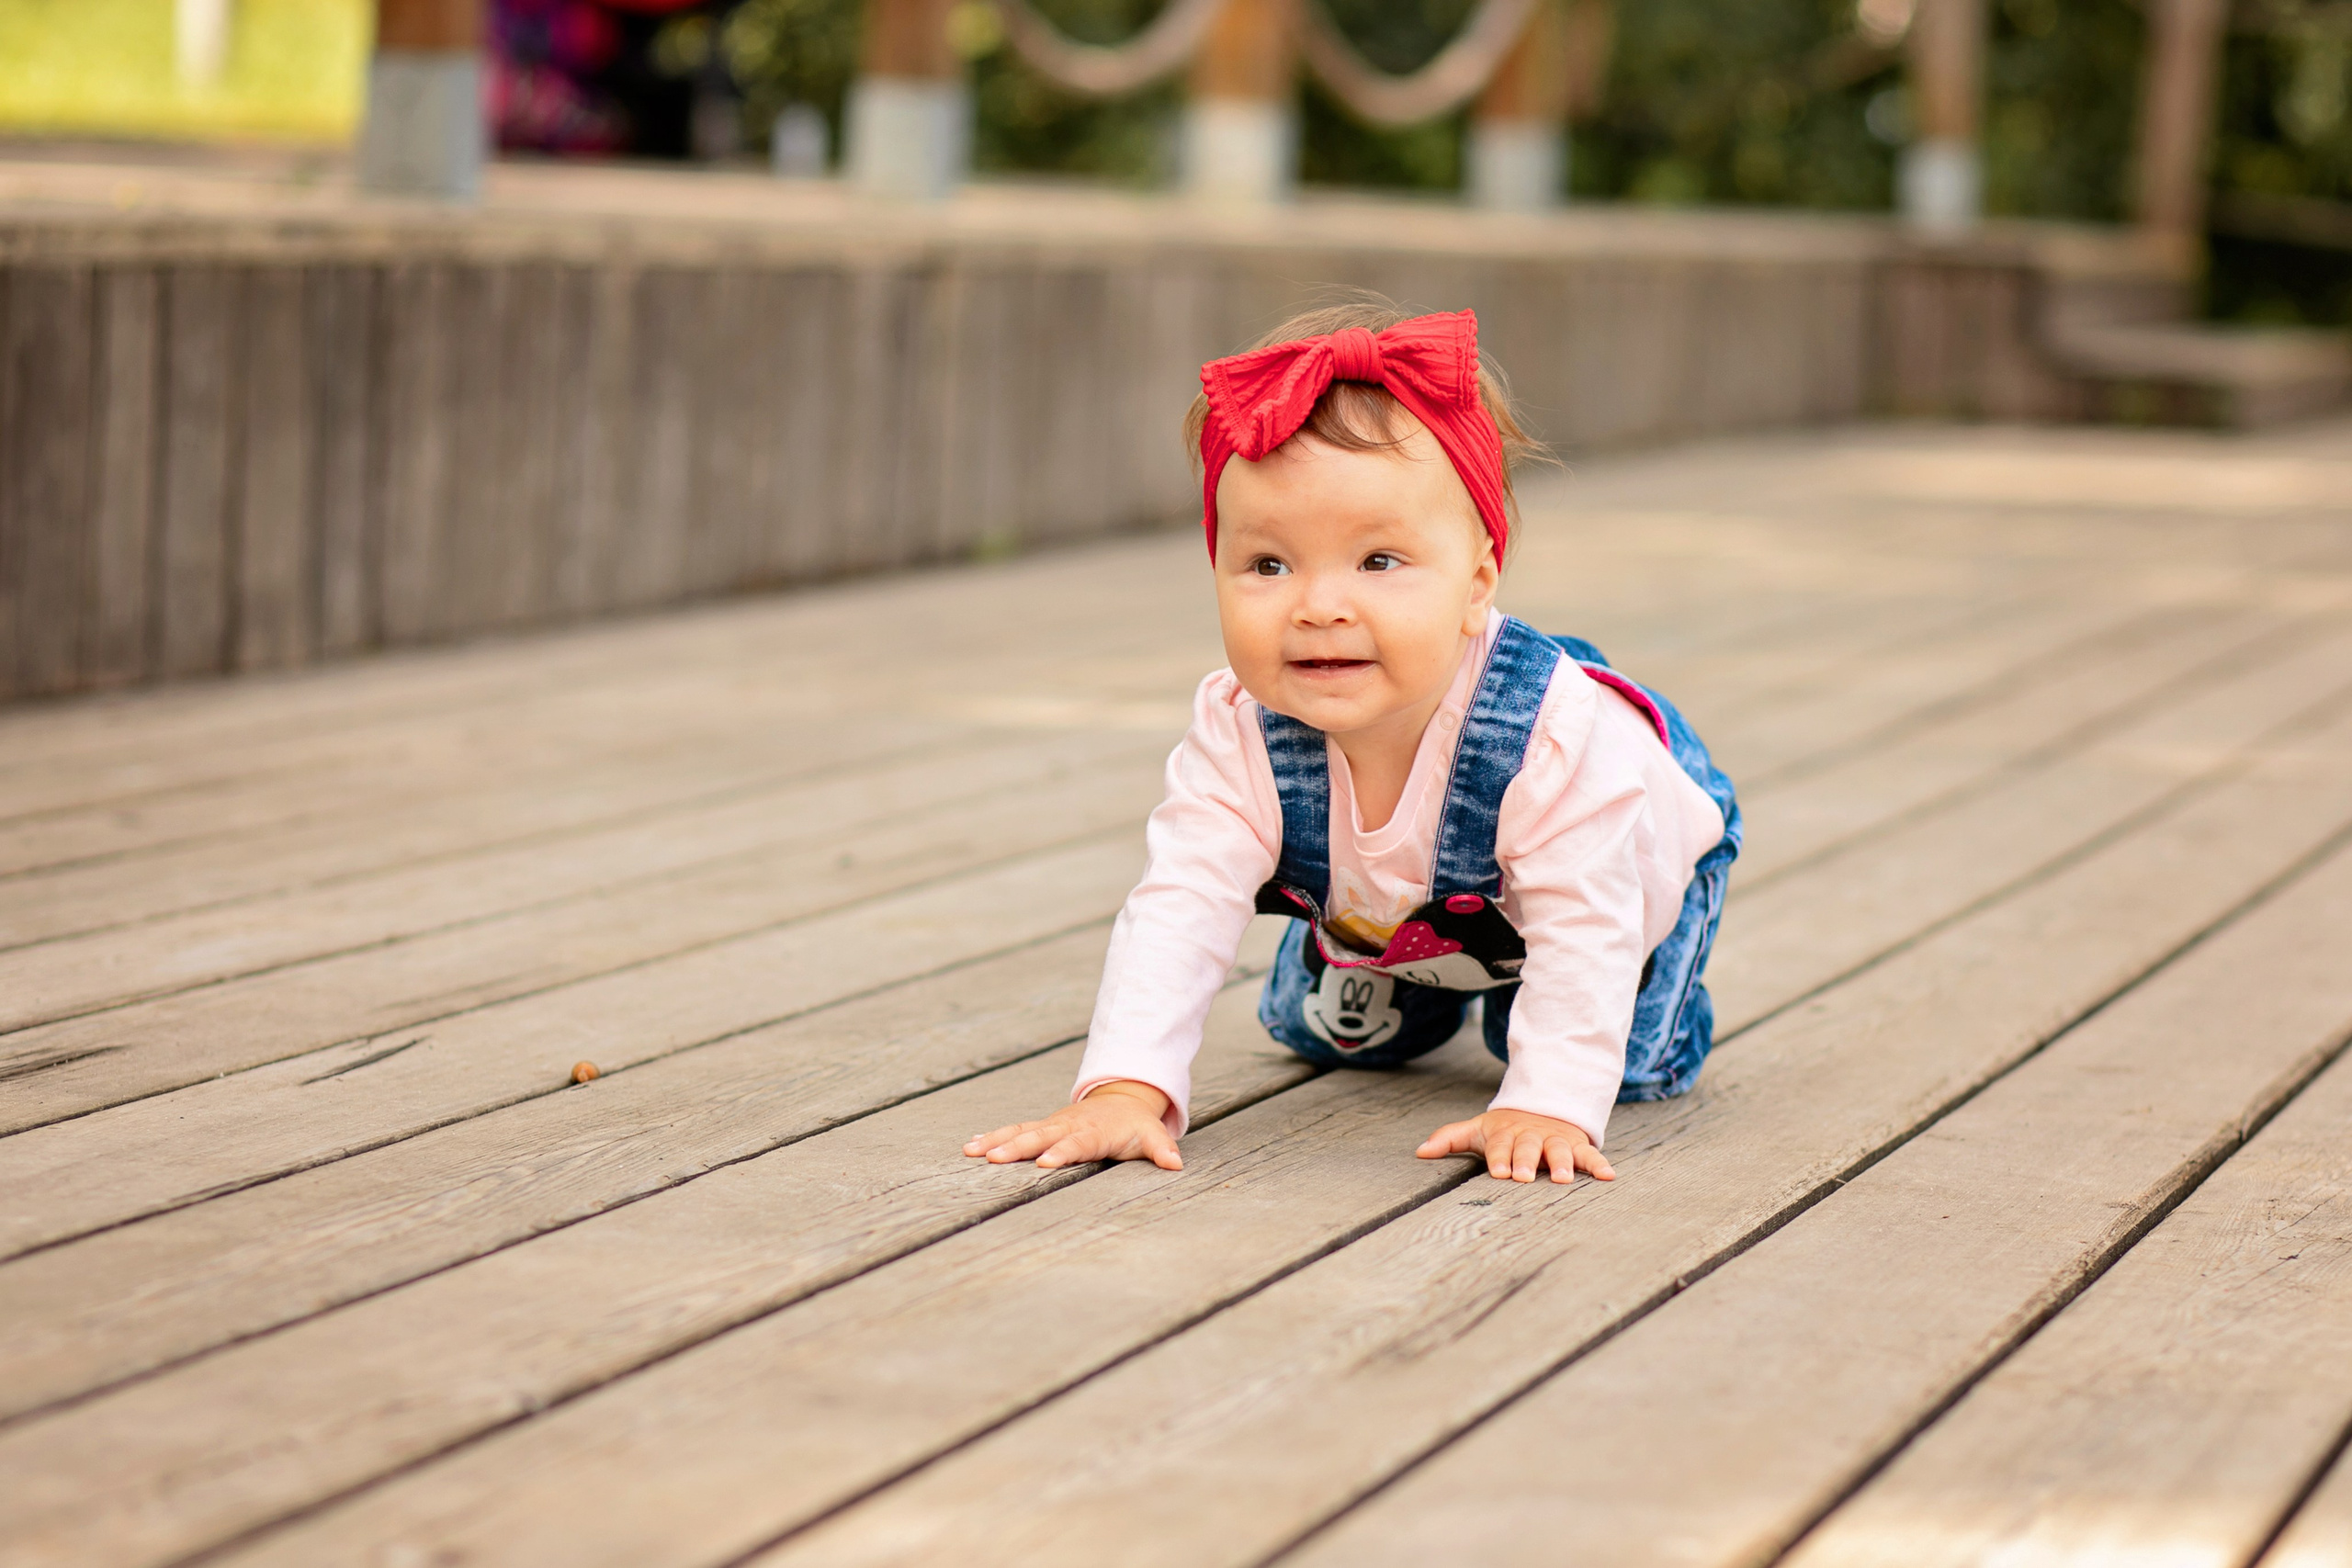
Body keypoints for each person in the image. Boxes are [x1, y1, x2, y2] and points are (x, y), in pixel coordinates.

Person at [964, 299, 1740, 1185]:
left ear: (1477, 582)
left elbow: (1586, 923)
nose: (1320, 606)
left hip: (1627, 882)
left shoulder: (1548, 738)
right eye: (1268, 564)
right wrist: (1124, 1087)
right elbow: (1179, 903)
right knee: (1328, 1036)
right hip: (1425, 912)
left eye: (1377, 561)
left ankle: (1543, 1009)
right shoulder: (1241, 729)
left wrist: (1545, 1100)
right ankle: (1402, 969)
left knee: (1610, 1064)